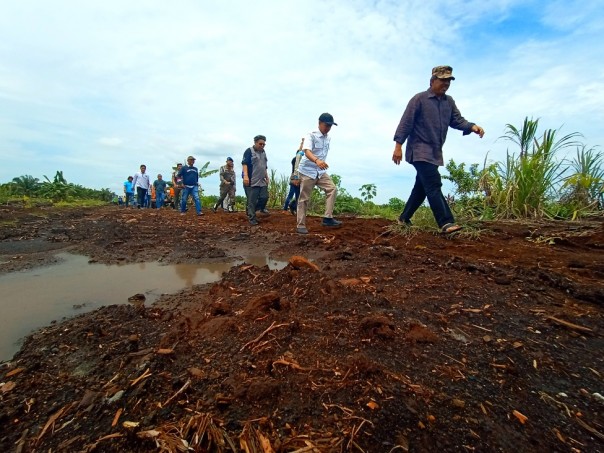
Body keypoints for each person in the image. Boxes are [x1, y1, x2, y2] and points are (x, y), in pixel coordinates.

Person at [392, 65, 485, 234]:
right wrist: (398, 145)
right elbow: (406, 123)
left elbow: (457, 120)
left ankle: (403, 218)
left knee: (421, 187)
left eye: (449, 80)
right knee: (434, 183)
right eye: (443, 80)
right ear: (432, 81)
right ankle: (446, 222)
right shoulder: (419, 99)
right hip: (419, 150)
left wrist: (472, 126)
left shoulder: (449, 102)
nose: (446, 84)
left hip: (435, 152)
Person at [294, 113, 342, 234]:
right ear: (319, 123)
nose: (328, 128)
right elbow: (306, 151)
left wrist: (320, 163)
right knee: (304, 198)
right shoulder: (311, 135)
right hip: (307, 171)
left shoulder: (328, 138)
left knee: (332, 189)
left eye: (330, 126)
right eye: (326, 125)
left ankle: (327, 218)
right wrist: (317, 160)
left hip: (320, 172)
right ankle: (300, 225)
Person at [242, 135, 269, 225]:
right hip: (252, 180)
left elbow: (264, 166)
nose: (262, 146)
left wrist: (267, 177)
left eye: (263, 144)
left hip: (261, 180)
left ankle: (250, 210)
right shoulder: (249, 151)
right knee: (252, 200)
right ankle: (252, 218)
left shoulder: (263, 152)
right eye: (260, 144)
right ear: (255, 142)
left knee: (264, 197)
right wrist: (246, 176)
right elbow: (245, 164)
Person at [283, 138, 304, 215]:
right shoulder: (297, 159)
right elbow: (300, 151)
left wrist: (302, 142)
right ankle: (288, 208)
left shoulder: (295, 158)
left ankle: (292, 207)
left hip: (295, 178)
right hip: (295, 178)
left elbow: (299, 150)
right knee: (294, 195)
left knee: (297, 195)